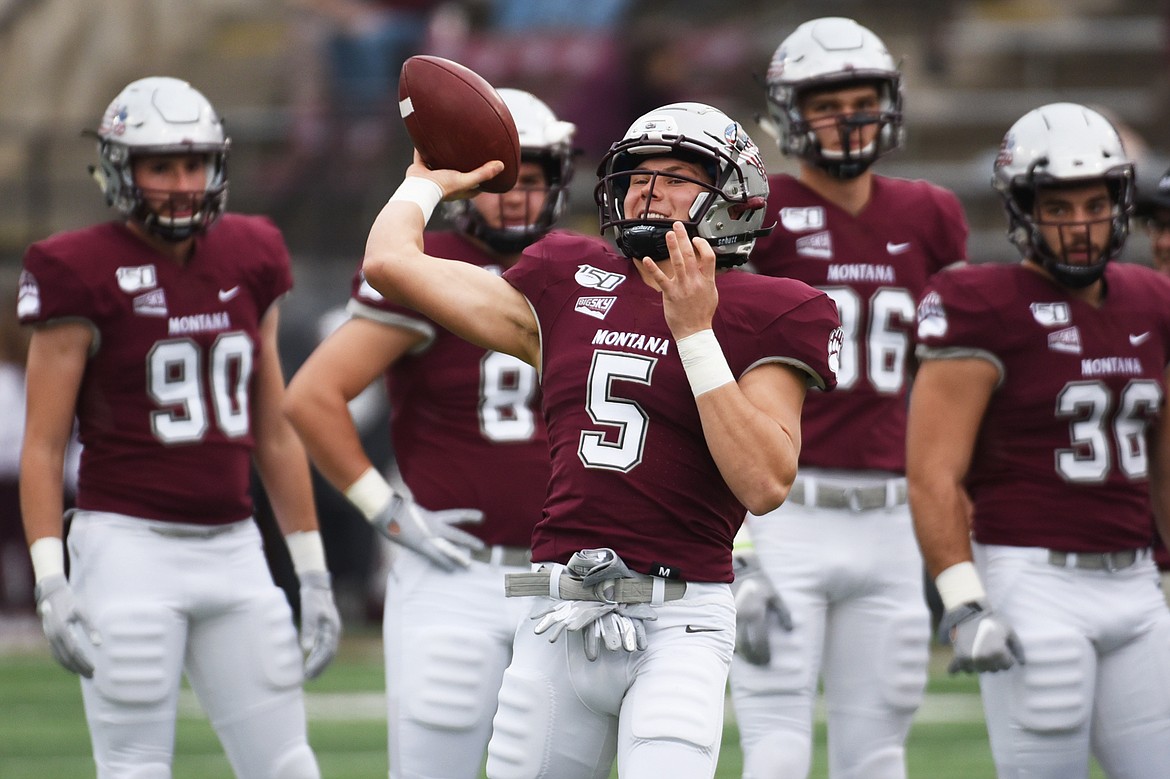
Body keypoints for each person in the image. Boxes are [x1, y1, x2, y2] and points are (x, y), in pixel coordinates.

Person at [360, 101, 842, 778]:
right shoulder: (565, 277)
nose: (649, 187)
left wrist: (696, 332)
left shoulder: (774, 309)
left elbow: (764, 481)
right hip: (560, 607)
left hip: (680, 618)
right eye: (640, 172)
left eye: (676, 175)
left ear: (734, 196)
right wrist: (427, 182)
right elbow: (389, 262)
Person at [17, 76, 341, 778]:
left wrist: (313, 574)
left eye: (193, 163)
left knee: (288, 763)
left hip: (234, 546)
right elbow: (42, 446)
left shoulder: (252, 251)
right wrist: (51, 579)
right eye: (160, 165)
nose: (181, 181)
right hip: (127, 549)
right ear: (119, 169)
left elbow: (276, 431)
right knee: (134, 766)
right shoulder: (74, 266)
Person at [283, 88, 579, 778]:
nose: (515, 197)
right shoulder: (431, 260)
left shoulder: (581, 265)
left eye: (532, 180)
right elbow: (312, 397)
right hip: (456, 571)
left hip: (567, 576)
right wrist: (384, 513)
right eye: (502, 180)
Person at [726, 17, 969, 779]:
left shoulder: (932, 214)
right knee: (775, 741)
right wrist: (734, 548)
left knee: (879, 750)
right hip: (784, 513)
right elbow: (712, 371)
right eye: (827, 102)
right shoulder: (759, 214)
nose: (849, 116)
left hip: (894, 515)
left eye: (863, 98)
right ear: (789, 112)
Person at [908, 102, 1170, 778]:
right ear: (1023, 209)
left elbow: (1164, 464)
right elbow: (933, 470)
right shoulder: (983, 303)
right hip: (1035, 581)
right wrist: (964, 599)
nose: (1080, 223)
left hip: (1137, 581)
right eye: (1058, 205)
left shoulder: (1152, 300)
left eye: (1095, 201)